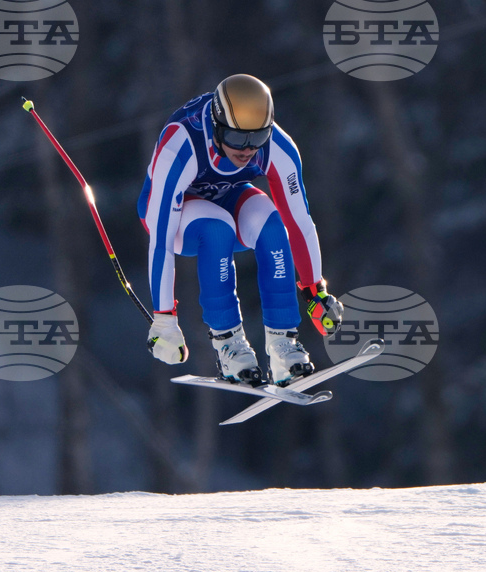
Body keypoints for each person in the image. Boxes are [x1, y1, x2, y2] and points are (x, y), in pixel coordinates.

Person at [138, 74, 343, 386]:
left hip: (227, 194)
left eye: (256, 139)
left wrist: (316, 292)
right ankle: (229, 345)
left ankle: (282, 346)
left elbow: (299, 220)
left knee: (273, 226)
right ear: (217, 127)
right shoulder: (181, 144)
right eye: (236, 139)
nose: (247, 150)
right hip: (172, 214)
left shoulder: (278, 146)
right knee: (217, 229)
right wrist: (164, 318)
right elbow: (161, 236)